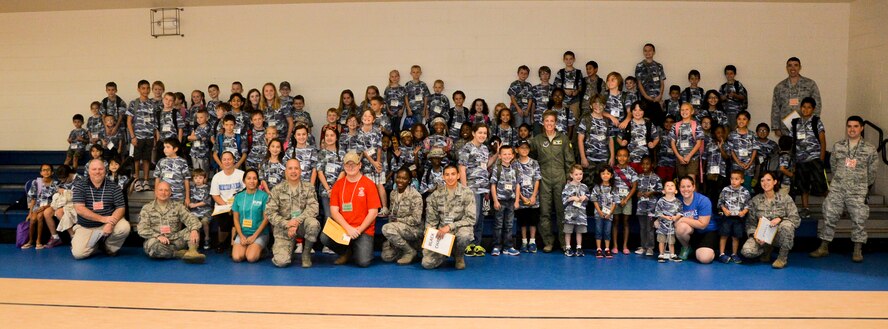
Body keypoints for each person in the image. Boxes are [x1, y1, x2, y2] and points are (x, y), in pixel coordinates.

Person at [811, 116, 879, 262]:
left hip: (857, 190)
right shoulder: (838, 146)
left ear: (862, 128)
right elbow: (834, 166)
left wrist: (863, 186)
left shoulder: (870, 149)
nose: (852, 129)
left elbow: (872, 172)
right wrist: (840, 181)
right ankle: (824, 247)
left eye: (855, 126)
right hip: (838, 188)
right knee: (829, 215)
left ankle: (857, 249)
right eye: (849, 126)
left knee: (859, 219)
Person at [322, 152, 381, 268]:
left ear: (360, 165)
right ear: (344, 167)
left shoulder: (369, 184)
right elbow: (334, 211)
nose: (351, 167)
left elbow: (373, 212)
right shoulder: (338, 185)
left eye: (354, 164)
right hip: (344, 228)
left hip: (363, 230)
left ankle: (357, 248)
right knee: (324, 237)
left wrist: (358, 230)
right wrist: (347, 228)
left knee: (363, 262)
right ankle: (346, 252)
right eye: (348, 165)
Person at [530, 110, 574, 252]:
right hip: (543, 179)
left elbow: (569, 160)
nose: (549, 123)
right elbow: (531, 160)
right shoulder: (537, 140)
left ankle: (563, 242)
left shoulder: (564, 139)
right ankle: (548, 241)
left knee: (562, 211)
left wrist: (569, 180)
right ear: (543, 122)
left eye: (552, 121)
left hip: (560, 178)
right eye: (546, 121)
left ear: (556, 123)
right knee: (545, 212)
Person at [71, 159, 131, 259]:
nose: (97, 172)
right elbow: (80, 209)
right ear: (89, 171)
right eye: (94, 169)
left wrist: (110, 223)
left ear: (105, 170)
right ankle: (97, 244)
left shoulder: (114, 186)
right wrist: (103, 219)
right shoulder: (80, 186)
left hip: (108, 223)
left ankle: (108, 247)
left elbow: (120, 208)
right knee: (79, 254)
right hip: (87, 226)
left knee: (124, 227)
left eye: (100, 169)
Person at [266, 159, 320, 268]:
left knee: (313, 224)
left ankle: (306, 253)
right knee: (281, 262)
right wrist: (287, 224)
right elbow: (270, 212)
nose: (293, 171)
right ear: (285, 171)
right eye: (290, 168)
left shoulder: (308, 187)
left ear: (300, 171)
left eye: (296, 168)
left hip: (301, 226)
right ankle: (290, 246)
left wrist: (296, 222)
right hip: (283, 229)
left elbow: (314, 208)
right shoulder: (277, 189)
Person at [741, 171, 800, 269]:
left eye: (768, 180)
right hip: (762, 237)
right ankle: (766, 249)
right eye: (762, 180)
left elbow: (795, 219)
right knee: (747, 251)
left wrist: (780, 219)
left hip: (779, 236)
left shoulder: (785, 198)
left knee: (787, 226)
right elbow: (750, 224)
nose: (765, 183)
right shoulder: (755, 200)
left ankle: (782, 258)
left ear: (775, 182)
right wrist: (755, 236)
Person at [136, 182, 205, 263]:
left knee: (194, 229)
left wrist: (194, 230)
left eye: (166, 190)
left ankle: (193, 252)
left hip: (175, 239)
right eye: (160, 190)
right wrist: (158, 236)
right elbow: (142, 229)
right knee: (153, 246)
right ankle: (179, 254)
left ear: (170, 192)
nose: (163, 193)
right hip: (157, 241)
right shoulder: (147, 208)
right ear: (155, 192)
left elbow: (191, 218)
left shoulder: (177, 206)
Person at [423, 165, 476, 270]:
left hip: (459, 228)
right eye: (447, 175)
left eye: (453, 174)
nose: (450, 177)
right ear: (443, 177)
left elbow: (471, 219)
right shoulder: (436, 195)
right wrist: (430, 237)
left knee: (464, 235)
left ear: (458, 175)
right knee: (427, 264)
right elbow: (431, 220)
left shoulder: (467, 193)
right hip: (443, 233)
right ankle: (448, 250)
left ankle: (459, 256)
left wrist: (450, 226)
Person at [459, 123, 497, 256]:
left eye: (485, 133)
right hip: (472, 188)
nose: (482, 135)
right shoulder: (467, 148)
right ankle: (468, 245)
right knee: (472, 217)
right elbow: (462, 168)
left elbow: (485, 165)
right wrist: (464, 189)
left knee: (481, 217)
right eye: (480, 132)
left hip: (484, 189)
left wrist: (497, 154)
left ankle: (477, 244)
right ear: (474, 133)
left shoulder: (485, 149)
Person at [791, 97, 827, 217]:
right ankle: (805, 208)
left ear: (813, 109)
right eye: (804, 107)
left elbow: (823, 141)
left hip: (815, 158)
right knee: (803, 185)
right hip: (801, 160)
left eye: (809, 107)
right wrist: (794, 161)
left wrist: (821, 160)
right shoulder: (795, 122)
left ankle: (833, 206)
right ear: (800, 108)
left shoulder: (816, 121)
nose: (806, 110)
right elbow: (793, 142)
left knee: (821, 184)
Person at [381, 168, 424, 265]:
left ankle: (409, 251)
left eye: (404, 178)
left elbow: (416, 220)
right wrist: (390, 239)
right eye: (399, 177)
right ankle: (406, 248)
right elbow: (392, 215)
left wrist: (397, 220)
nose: (400, 180)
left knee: (386, 229)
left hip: (414, 229)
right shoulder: (393, 193)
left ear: (409, 180)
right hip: (399, 228)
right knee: (386, 257)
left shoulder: (415, 196)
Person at [771, 57, 822, 137]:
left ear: (800, 67)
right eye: (790, 65)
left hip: (805, 126)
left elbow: (817, 104)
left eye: (796, 65)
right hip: (786, 127)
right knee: (788, 149)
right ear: (786, 68)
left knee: (804, 148)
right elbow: (775, 107)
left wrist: (813, 122)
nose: (793, 68)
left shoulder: (810, 84)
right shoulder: (779, 87)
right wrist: (776, 127)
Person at [673, 176, 716, 264]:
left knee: (705, 259)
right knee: (681, 227)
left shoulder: (703, 200)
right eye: (683, 187)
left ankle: (709, 250)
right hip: (691, 233)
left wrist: (683, 219)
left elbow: (703, 225)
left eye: (688, 186)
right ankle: (686, 247)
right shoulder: (676, 201)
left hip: (706, 232)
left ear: (693, 187)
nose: (686, 189)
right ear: (679, 188)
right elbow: (672, 219)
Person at [209, 152, 245, 253]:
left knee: (236, 217)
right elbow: (215, 195)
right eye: (224, 159)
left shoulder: (241, 174)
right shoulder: (217, 177)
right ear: (221, 161)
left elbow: (246, 191)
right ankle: (222, 242)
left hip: (239, 205)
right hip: (223, 206)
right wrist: (226, 206)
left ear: (233, 160)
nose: (227, 161)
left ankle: (233, 244)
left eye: (229, 159)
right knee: (223, 220)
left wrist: (235, 206)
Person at [231, 169, 270, 263]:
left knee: (251, 258)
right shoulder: (238, 196)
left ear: (258, 181)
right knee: (237, 258)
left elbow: (266, 218)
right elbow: (236, 218)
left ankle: (263, 250)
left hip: (259, 234)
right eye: (249, 178)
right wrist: (241, 235)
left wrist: (254, 236)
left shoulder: (264, 196)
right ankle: (248, 248)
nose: (252, 181)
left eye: (254, 178)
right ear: (244, 181)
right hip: (243, 233)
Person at [127, 80, 157, 192]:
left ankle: (145, 180)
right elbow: (129, 121)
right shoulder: (134, 103)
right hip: (137, 137)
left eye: (148, 88)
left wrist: (154, 137)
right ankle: (137, 180)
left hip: (149, 137)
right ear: (138, 89)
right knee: (136, 159)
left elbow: (154, 123)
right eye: (143, 88)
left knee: (146, 159)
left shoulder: (152, 103)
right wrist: (133, 137)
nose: (146, 90)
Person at [490, 146, 520, 256]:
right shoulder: (496, 169)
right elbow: (493, 185)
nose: (507, 156)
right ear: (500, 156)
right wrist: (495, 201)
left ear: (512, 156)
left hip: (511, 201)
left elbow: (517, 185)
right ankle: (496, 246)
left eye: (509, 154)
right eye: (504, 154)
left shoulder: (515, 169)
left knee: (509, 225)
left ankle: (508, 246)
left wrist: (517, 201)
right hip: (500, 201)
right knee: (498, 225)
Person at [23, 164, 61, 249]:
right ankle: (30, 241)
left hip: (49, 206)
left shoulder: (56, 184)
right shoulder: (37, 182)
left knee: (40, 216)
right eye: (44, 170)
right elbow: (33, 198)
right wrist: (30, 213)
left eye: (48, 170)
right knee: (32, 219)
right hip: (37, 206)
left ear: (52, 172)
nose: (46, 172)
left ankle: (38, 241)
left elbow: (56, 200)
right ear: (41, 172)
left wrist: (44, 207)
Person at [717, 171, 751, 264]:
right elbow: (720, 202)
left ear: (742, 180)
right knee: (724, 235)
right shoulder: (725, 190)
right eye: (732, 178)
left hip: (738, 218)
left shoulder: (745, 191)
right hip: (727, 217)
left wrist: (744, 211)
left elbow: (748, 205)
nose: (733, 181)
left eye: (737, 179)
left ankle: (734, 254)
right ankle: (721, 254)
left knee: (736, 237)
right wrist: (724, 210)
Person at [635, 157, 661, 256]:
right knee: (642, 227)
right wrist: (637, 193)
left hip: (651, 207)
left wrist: (652, 192)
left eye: (647, 164)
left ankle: (650, 247)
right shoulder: (639, 177)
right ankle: (643, 246)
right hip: (641, 206)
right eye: (643, 164)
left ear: (652, 165)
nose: (645, 166)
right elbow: (636, 189)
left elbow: (661, 190)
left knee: (650, 228)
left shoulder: (656, 177)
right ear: (641, 165)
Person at [591, 166, 619, 259]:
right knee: (598, 231)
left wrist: (610, 213)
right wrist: (599, 211)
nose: (605, 175)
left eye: (607, 173)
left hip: (609, 215)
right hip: (598, 214)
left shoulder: (614, 188)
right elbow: (594, 200)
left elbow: (615, 202)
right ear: (600, 175)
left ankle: (607, 249)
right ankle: (598, 249)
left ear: (611, 175)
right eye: (603, 173)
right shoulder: (597, 187)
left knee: (607, 231)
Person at [635, 43, 666, 126]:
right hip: (645, 99)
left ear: (654, 52)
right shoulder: (640, 66)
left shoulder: (659, 66)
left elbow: (662, 82)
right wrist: (646, 96)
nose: (647, 52)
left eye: (650, 50)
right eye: (645, 51)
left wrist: (660, 96)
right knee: (646, 123)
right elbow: (639, 83)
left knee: (658, 122)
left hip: (657, 99)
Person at [561, 165, 589, 257]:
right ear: (571, 175)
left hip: (581, 214)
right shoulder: (567, 186)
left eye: (580, 174)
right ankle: (568, 247)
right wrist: (571, 198)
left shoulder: (584, 187)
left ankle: (579, 247)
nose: (579, 176)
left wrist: (585, 197)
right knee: (568, 231)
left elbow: (588, 198)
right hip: (569, 215)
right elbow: (563, 200)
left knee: (579, 231)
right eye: (576, 174)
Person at [154, 138, 191, 203]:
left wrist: (187, 198)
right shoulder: (161, 161)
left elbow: (186, 180)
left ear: (175, 149)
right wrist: (156, 195)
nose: (165, 149)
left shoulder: (182, 162)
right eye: (164, 147)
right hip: (164, 196)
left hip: (178, 196)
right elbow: (157, 179)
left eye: (168, 147)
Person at [655, 181, 682, 263]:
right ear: (663, 191)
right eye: (667, 185)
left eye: (672, 185)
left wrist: (676, 217)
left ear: (676, 191)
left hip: (671, 226)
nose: (670, 186)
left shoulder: (678, 202)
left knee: (671, 241)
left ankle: (672, 254)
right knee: (661, 240)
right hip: (662, 225)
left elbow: (680, 212)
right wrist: (665, 217)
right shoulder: (661, 201)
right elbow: (657, 212)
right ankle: (661, 254)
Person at [554, 51, 584, 122]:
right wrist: (564, 91)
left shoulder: (578, 72)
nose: (568, 61)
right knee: (561, 120)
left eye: (570, 59)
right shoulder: (560, 72)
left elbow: (581, 86)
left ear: (574, 60)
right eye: (566, 59)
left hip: (575, 101)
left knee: (574, 120)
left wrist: (576, 91)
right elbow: (556, 87)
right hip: (562, 101)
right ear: (563, 60)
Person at [188, 168, 213, 250]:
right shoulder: (192, 188)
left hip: (206, 211)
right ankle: (195, 242)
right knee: (195, 223)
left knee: (204, 221)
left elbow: (206, 201)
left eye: (200, 178)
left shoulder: (207, 188)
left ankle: (207, 238)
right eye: (195, 178)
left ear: (204, 178)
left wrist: (195, 205)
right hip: (195, 211)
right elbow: (190, 200)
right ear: (193, 179)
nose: (198, 180)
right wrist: (190, 204)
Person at [719, 65, 749, 130]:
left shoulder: (738, 85)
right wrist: (725, 97)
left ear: (734, 74)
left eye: (731, 73)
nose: (729, 75)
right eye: (727, 73)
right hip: (726, 113)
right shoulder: (723, 86)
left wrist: (735, 95)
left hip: (737, 113)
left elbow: (743, 97)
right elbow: (719, 99)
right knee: (726, 130)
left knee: (737, 130)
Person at [531, 66, 554, 135]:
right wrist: (532, 117)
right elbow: (533, 103)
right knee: (537, 138)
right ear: (540, 76)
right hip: (538, 117)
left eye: (547, 74)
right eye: (542, 74)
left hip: (550, 118)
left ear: (549, 75)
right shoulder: (535, 88)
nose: (545, 76)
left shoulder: (553, 88)